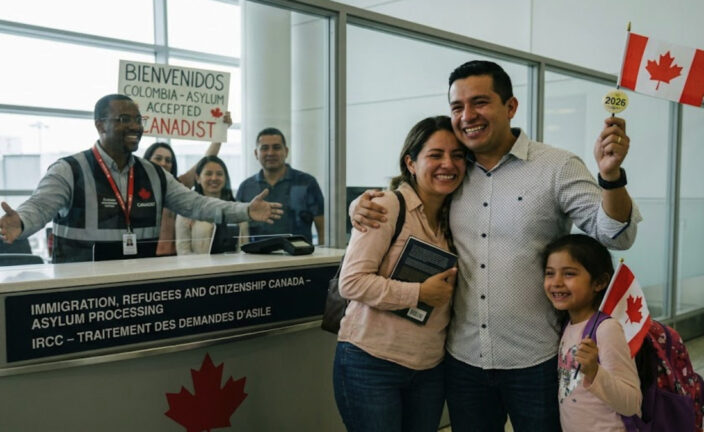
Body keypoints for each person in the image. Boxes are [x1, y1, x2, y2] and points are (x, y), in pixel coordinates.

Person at [351, 60, 642, 431]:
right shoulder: (452, 172)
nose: (467, 116)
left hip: (534, 360)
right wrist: (360, 205)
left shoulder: (556, 166)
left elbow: (617, 234)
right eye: (457, 107)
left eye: (480, 102)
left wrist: (612, 177)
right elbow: (406, 196)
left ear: (511, 107)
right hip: (463, 361)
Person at [0, 94, 282, 263]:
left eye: (138, 120)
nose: (135, 126)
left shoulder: (154, 174)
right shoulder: (70, 169)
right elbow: (41, 205)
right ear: (99, 125)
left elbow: (198, 205)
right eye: (123, 120)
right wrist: (20, 221)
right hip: (80, 293)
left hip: (138, 293)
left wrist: (244, 210)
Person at [333, 116, 463, 432]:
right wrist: (418, 294)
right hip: (372, 362)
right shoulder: (387, 206)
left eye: (457, 155)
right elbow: (351, 282)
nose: (448, 163)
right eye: (435, 155)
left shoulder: (457, 214)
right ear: (411, 162)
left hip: (430, 367)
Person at [543, 234, 641, 431]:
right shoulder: (568, 325)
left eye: (569, 274)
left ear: (599, 282)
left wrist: (595, 372)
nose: (556, 282)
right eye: (550, 273)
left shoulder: (607, 329)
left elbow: (631, 404)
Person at [143, 112, 232, 255]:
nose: (163, 163)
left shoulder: (177, 187)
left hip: (171, 258)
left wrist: (221, 131)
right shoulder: (132, 186)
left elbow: (206, 161)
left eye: (168, 160)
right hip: (140, 258)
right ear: (146, 160)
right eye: (158, 158)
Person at [236, 127, 325, 245]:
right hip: (256, 259)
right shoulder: (246, 187)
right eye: (264, 148)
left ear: (286, 151)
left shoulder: (307, 183)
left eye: (276, 148)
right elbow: (238, 229)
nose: (270, 153)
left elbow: (322, 225)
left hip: (299, 258)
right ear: (256, 153)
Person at [176, 155, 248, 254]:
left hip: (233, 268)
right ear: (198, 178)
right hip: (199, 268)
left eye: (219, 174)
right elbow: (183, 252)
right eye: (208, 174)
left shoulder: (238, 210)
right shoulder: (186, 212)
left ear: (225, 178)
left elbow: (244, 250)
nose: (214, 178)